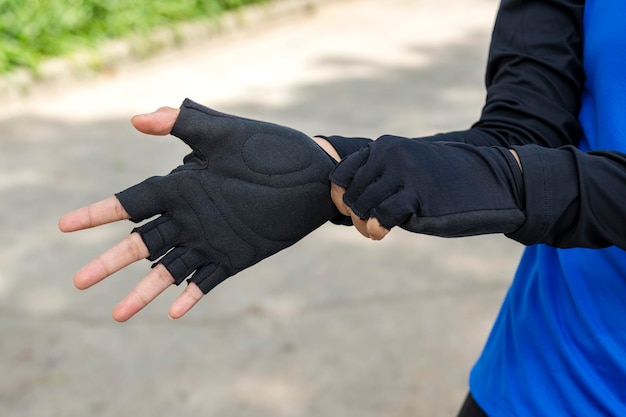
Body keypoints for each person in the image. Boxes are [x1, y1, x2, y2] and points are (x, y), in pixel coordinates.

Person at [58, 0, 626, 415]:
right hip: (543, 375)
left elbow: (511, 171)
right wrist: (325, 167)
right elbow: (524, 131)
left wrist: (500, 181)